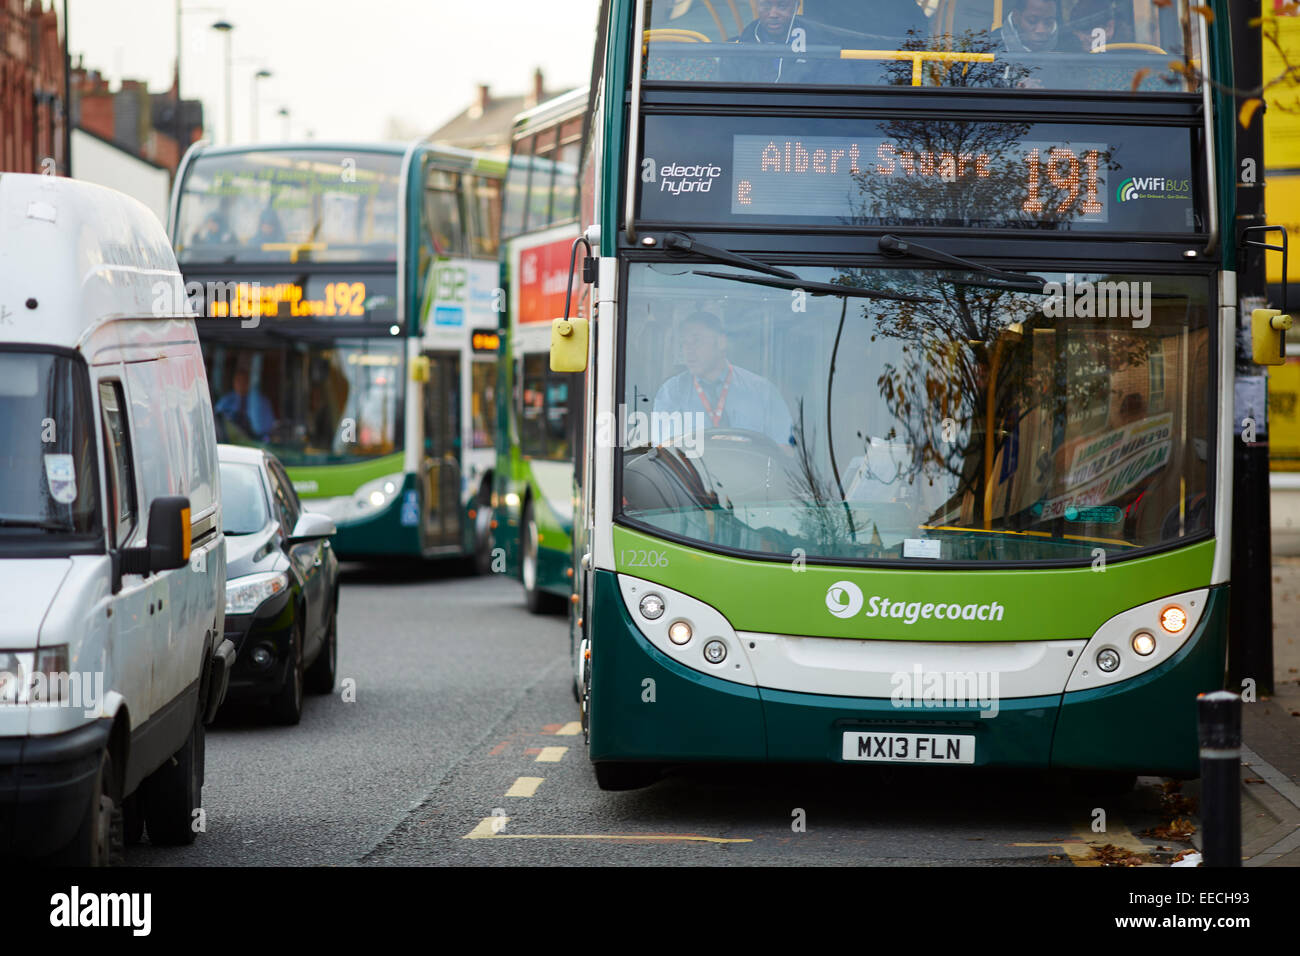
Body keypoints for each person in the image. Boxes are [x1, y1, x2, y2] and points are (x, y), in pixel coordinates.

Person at [652, 312, 793, 448]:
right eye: (684, 343)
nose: (688, 350)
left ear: (721, 342)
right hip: (691, 472)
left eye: (696, 341)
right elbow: (663, 451)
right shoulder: (672, 393)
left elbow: (785, 449)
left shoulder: (761, 391)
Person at [215, 367, 276, 442]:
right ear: (233, 382)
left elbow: (267, 430)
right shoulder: (226, 401)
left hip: (255, 444)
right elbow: (216, 419)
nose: (241, 383)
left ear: (249, 382)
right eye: (238, 380)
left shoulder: (262, 403)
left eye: (244, 381)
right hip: (228, 443)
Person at [993, 0, 1061, 53]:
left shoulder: (1068, 47)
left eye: (1048, 23)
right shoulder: (990, 47)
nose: (1041, 30)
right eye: (1032, 21)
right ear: (1016, 17)